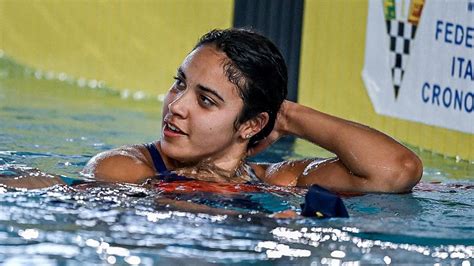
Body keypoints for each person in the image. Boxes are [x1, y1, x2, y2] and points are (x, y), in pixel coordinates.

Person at [82, 28, 423, 193]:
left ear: (252, 124)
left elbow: (398, 170)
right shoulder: (124, 168)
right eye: (179, 83)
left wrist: (287, 116)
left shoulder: (280, 179)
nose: (175, 105)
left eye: (206, 100)